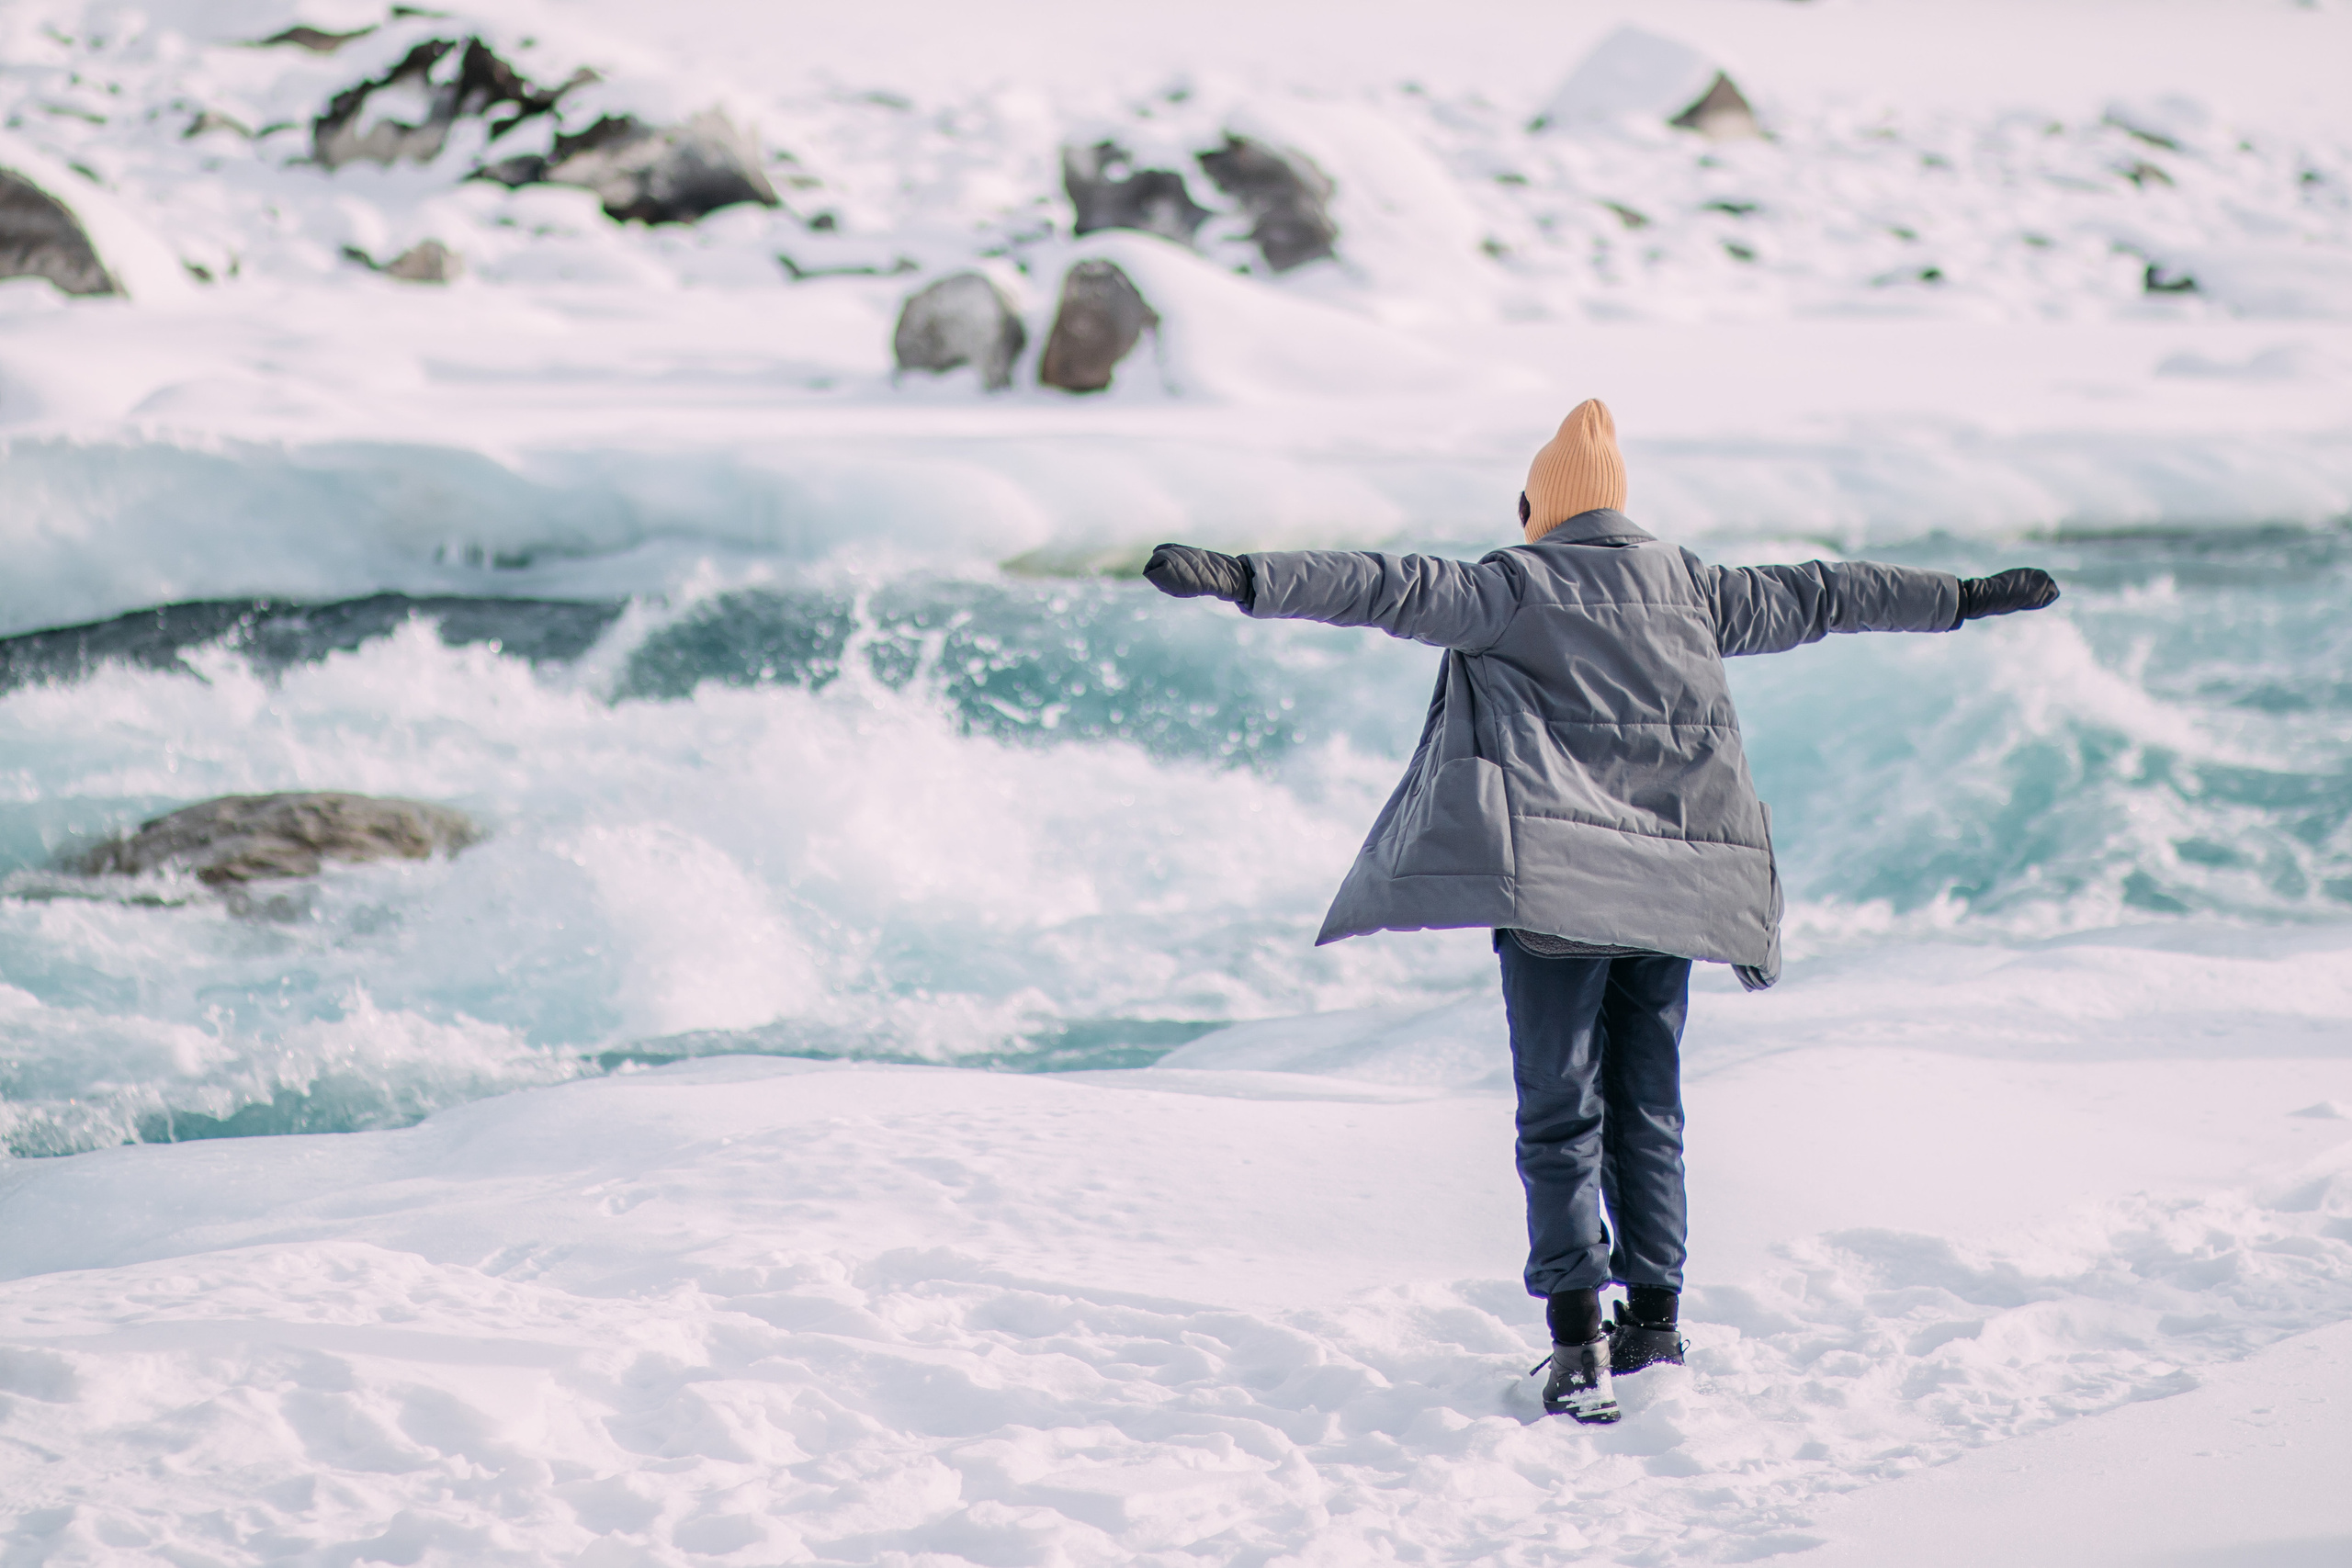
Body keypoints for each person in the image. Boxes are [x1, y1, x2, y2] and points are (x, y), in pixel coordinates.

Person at [1141, 399, 2059, 1424]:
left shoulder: (1511, 587)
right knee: (1650, 1107)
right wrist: (1964, 597)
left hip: (1557, 893)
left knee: (1561, 1112)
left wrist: (1242, 577)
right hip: (1674, 894)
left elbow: (1378, 584)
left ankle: (1579, 1350)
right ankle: (1655, 1329)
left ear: (1541, 508)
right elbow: (1830, 594)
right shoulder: (1695, 588)